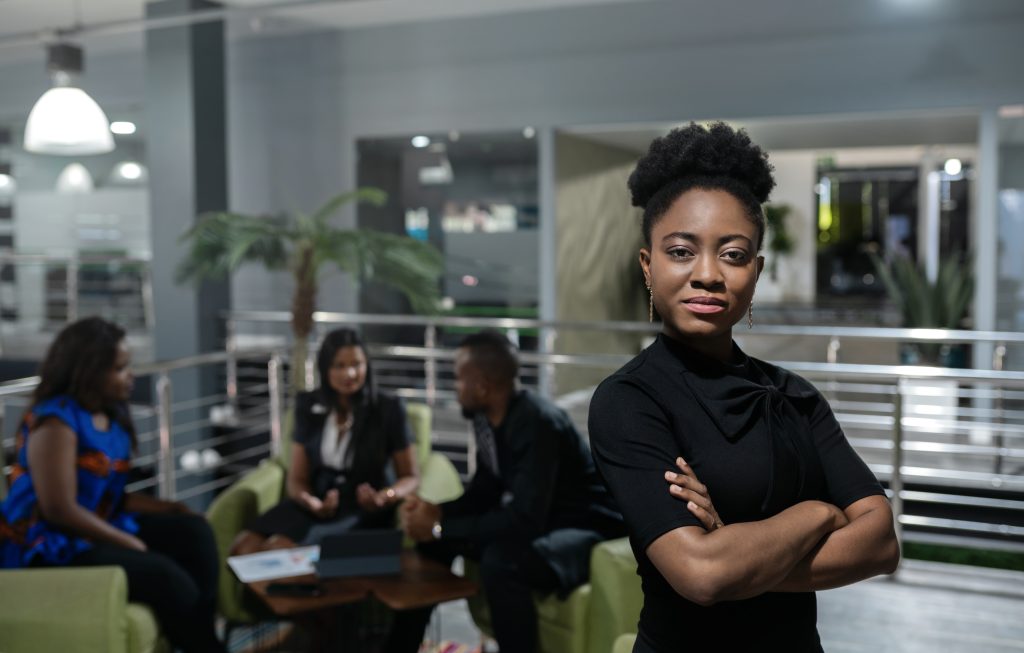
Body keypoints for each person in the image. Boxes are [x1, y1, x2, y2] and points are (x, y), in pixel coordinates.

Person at [588, 122, 900, 652]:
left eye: (732, 255)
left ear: (755, 272)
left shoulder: (794, 395)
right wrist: (817, 513)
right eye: (681, 251)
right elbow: (703, 574)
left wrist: (741, 555)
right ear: (648, 265)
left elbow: (880, 543)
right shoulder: (628, 401)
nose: (708, 273)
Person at [0, 317, 225, 653]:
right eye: (120, 368)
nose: (131, 375)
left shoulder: (110, 412)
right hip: (50, 541)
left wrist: (170, 509)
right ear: (89, 371)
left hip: (95, 523)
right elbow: (58, 509)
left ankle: (197, 634)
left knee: (194, 533)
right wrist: (125, 541)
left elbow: (110, 496)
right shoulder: (56, 422)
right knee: (164, 575)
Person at [393, 330, 625, 653]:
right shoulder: (484, 417)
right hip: (543, 518)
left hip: (586, 525)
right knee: (434, 545)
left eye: (459, 379)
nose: (454, 387)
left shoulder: (538, 423)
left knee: (501, 561)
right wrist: (436, 514)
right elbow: (486, 490)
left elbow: (525, 519)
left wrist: (439, 526)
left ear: (483, 385)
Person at [231, 328, 419, 555]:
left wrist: (385, 497)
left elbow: (410, 476)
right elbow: (297, 478)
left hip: (362, 509)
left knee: (280, 548)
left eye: (356, 364)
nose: (349, 373)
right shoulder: (307, 405)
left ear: (366, 366)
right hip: (316, 503)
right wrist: (310, 501)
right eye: (339, 365)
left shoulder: (388, 409)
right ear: (325, 368)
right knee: (243, 546)